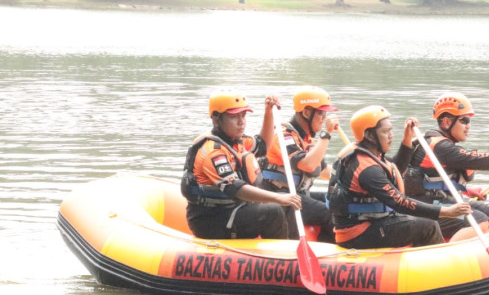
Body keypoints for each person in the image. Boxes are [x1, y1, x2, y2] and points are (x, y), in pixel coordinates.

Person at [327, 105, 471, 249]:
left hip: (370, 224)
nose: (391, 135)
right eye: (385, 131)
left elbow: (396, 169)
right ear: (370, 135)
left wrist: (407, 138)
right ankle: (443, 264)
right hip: (358, 233)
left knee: (421, 221)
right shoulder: (366, 169)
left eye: (391, 130)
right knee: (429, 225)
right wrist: (446, 212)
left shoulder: (369, 154)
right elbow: (399, 202)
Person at [406, 92, 489, 241]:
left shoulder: (444, 145)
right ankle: (448, 256)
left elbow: (437, 178)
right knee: (479, 220)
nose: (468, 126)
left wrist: (466, 190)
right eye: (464, 120)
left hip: (445, 200)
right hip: (428, 206)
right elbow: (476, 160)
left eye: (469, 121)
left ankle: (482, 249)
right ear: (447, 122)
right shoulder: (439, 146)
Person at [181, 91, 302, 240]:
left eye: (243, 115)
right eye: (234, 116)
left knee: (288, 203)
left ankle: (293, 250)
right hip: (213, 220)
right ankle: (280, 259)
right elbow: (236, 188)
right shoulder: (213, 151)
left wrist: (268, 112)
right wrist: (277, 198)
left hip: (234, 210)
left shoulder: (237, 141)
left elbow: (263, 145)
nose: (241, 121)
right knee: (274, 210)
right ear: (217, 120)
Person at [261, 86, 340, 242]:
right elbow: (307, 165)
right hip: (279, 195)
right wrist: (327, 134)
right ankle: (333, 250)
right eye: (321, 113)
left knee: (336, 203)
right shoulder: (283, 135)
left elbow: (323, 170)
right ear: (306, 113)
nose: (324, 118)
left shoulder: (307, 139)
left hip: (298, 194)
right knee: (327, 213)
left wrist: (349, 179)